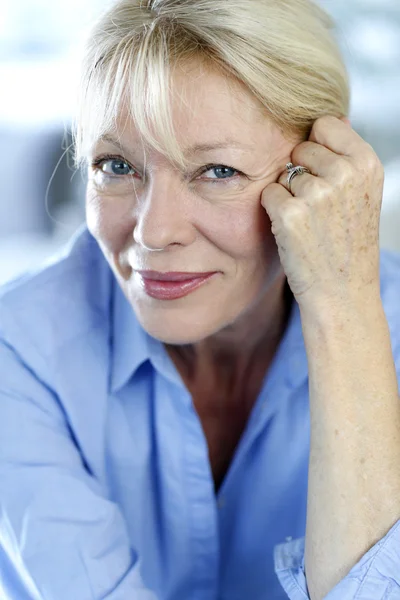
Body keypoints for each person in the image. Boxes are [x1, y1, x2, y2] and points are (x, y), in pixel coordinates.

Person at [1, 0, 400, 598]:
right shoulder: (20, 349)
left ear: (321, 176)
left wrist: (342, 307)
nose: (153, 232)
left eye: (217, 171)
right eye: (116, 165)